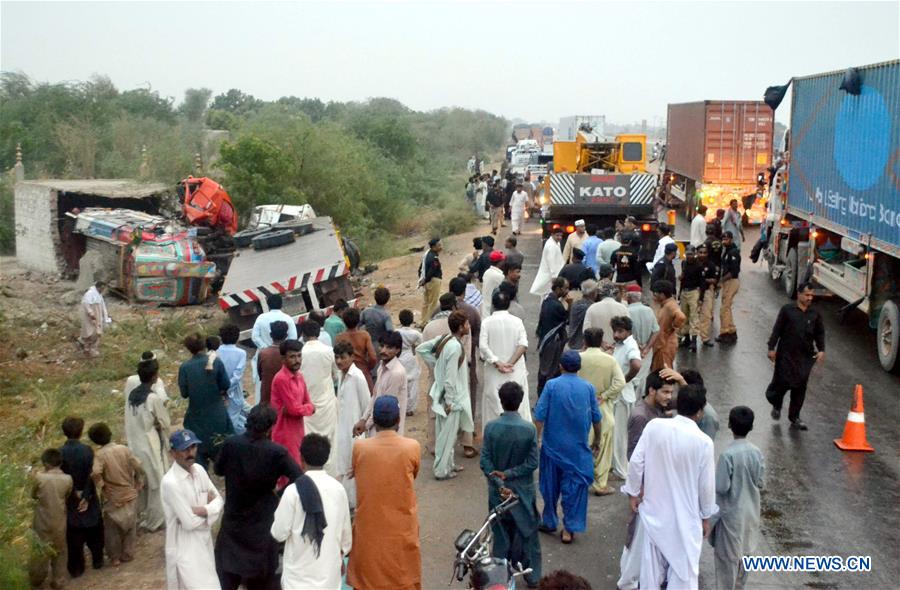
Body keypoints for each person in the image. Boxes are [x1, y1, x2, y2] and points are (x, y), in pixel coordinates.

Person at [622, 384, 717, 590]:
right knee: (683, 576)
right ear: (700, 412)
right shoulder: (704, 443)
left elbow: (636, 462)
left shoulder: (655, 427)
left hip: (654, 514)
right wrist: (705, 517)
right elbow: (706, 487)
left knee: (650, 575)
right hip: (686, 521)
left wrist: (633, 493)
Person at [214, 405, 304, 590]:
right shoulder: (276, 452)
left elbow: (218, 469)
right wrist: (279, 494)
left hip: (234, 518)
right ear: (270, 427)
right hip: (262, 521)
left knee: (228, 574)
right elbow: (298, 476)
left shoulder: (231, 444)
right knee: (261, 576)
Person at [346, 396, 422, 590]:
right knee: (403, 576)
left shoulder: (360, 447)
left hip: (369, 528)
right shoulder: (411, 447)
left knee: (367, 577)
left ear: (375, 421)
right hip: (401, 527)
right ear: (398, 420)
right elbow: (414, 474)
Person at [535, 351, 601, 544]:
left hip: (552, 448)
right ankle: (569, 528)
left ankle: (549, 521)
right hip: (577, 451)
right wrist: (597, 440)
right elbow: (597, 418)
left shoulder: (551, 386)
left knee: (549, 487)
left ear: (561, 366)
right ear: (579, 367)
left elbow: (539, 415)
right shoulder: (588, 388)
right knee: (574, 490)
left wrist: (536, 439)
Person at [617, 369, 675, 590]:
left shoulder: (657, 409)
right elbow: (634, 456)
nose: (669, 397)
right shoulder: (641, 416)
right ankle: (627, 580)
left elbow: (691, 402)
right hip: (644, 488)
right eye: (665, 392)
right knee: (636, 535)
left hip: (653, 485)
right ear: (652, 390)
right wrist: (638, 489)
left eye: (671, 392)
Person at [480, 382, 542, 588]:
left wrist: (500, 481)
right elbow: (532, 463)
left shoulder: (491, 428)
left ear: (501, 400)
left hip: (497, 493)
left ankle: (499, 580)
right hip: (522, 492)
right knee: (527, 534)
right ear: (521, 401)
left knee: (500, 536)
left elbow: (485, 461)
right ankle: (532, 577)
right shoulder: (528, 429)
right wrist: (509, 475)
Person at [271, 434, 352, 590]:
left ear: (301, 458)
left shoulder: (293, 491)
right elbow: (345, 537)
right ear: (326, 458)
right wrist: (340, 556)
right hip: (329, 577)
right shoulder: (339, 489)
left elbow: (278, 533)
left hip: (297, 579)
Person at [711, 407, 766, 590]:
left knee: (727, 565)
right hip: (751, 515)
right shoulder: (757, 452)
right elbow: (761, 482)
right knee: (745, 559)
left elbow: (721, 487)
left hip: (731, 518)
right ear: (751, 427)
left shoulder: (727, 455)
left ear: (729, 425)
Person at [161, 429, 224, 590]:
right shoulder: (171, 483)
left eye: (193, 447)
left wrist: (202, 510)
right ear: (173, 453)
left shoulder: (200, 471)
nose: (190, 453)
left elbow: (219, 500)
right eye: (185, 449)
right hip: (184, 547)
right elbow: (189, 523)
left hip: (204, 541)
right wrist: (211, 511)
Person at [418, 311, 474, 480]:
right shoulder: (455, 347)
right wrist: (450, 401)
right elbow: (450, 379)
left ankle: (449, 465)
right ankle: (441, 470)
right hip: (452, 398)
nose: (469, 326)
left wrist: (437, 366)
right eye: (466, 324)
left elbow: (422, 349)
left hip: (443, 395)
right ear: (460, 327)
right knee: (447, 436)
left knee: (447, 433)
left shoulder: (445, 339)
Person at [765, 282, 825, 431]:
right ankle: (777, 403)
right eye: (807, 295)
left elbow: (819, 333)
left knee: (800, 386)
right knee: (782, 382)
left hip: (805, 357)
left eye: (811, 295)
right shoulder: (787, 310)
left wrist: (821, 349)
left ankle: (795, 417)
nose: (810, 298)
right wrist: (771, 347)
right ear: (799, 294)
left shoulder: (815, 314)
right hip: (786, 354)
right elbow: (777, 330)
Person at [124, 357, 171, 532]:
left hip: (135, 444)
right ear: (154, 377)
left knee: (142, 482)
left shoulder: (132, 396)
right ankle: (156, 519)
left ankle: (143, 515)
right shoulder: (152, 398)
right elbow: (164, 421)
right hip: (151, 445)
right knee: (157, 482)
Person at [89, 422, 145, 567]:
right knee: (130, 525)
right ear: (110, 434)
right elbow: (138, 465)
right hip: (130, 493)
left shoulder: (99, 455)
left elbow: (95, 473)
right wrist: (139, 480)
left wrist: (102, 487)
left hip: (112, 497)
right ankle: (128, 553)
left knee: (112, 530)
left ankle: (114, 557)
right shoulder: (123, 449)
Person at [579, 328, 625, 496]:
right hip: (602, 405)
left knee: (581, 443)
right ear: (601, 341)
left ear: (585, 341)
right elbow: (620, 382)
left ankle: (580, 478)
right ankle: (600, 484)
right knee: (603, 447)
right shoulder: (610, 360)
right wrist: (605, 395)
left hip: (580, 405)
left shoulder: (579, 358)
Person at [178, 333, 233, 468]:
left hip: (196, 417)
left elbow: (184, 394)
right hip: (217, 414)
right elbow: (226, 384)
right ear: (204, 345)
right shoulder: (216, 362)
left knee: (199, 459)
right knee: (223, 453)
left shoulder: (185, 367)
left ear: (188, 348)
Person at [480, 291, 532, 432]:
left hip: (494, 373)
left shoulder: (486, 322)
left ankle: (493, 437)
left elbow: (483, 346)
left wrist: (497, 363)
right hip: (515, 372)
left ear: (493, 305)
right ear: (508, 305)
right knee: (519, 405)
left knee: (493, 407)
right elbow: (523, 344)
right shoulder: (517, 322)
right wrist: (511, 363)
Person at [59, 417, 104, 577]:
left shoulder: (60, 453)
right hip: (88, 494)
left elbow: (61, 476)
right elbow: (91, 474)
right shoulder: (87, 450)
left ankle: (76, 568)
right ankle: (97, 560)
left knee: (74, 532)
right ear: (80, 432)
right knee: (94, 528)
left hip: (70, 496)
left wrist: (74, 494)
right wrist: (86, 495)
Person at [29, 448, 72, 590]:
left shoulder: (39, 478)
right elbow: (67, 496)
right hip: (60, 520)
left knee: (40, 549)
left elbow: (33, 495)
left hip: (42, 520)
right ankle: (59, 580)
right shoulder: (68, 479)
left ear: (46, 464)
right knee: (60, 550)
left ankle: (37, 580)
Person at [333, 341, 370, 507]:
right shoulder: (341, 374)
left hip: (355, 431)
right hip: (342, 429)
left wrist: (362, 428)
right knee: (343, 464)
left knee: (353, 466)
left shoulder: (357, 377)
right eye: (336, 357)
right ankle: (347, 503)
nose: (339, 361)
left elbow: (367, 405)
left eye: (342, 357)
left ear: (352, 357)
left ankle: (355, 504)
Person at [270, 339, 316, 473]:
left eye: (299, 356)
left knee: (299, 467)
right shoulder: (281, 379)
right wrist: (309, 408)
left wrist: (306, 408)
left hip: (298, 430)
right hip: (284, 432)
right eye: (292, 357)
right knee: (289, 472)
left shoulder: (300, 377)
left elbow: (307, 402)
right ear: (283, 359)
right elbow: (294, 410)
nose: (297, 360)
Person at [299, 320, 338, 473]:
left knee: (309, 439)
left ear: (303, 335)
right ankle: (331, 473)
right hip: (327, 401)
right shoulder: (329, 351)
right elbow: (335, 375)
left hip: (307, 404)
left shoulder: (299, 354)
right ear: (318, 333)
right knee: (331, 439)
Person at [357, 331, 409, 438]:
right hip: (377, 424)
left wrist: (366, 425)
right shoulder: (381, 366)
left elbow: (385, 406)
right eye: (382, 346)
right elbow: (375, 396)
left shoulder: (396, 373)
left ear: (397, 350)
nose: (384, 350)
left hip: (389, 428)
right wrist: (363, 419)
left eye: (389, 348)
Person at [610, 316, 643, 481]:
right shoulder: (621, 344)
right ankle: (616, 465)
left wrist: (624, 380)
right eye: (615, 331)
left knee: (620, 435)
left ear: (628, 332)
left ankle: (622, 470)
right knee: (615, 433)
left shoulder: (630, 345)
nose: (616, 334)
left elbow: (636, 365)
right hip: (619, 395)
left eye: (620, 331)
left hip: (623, 396)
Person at [251, 294, 298, 402]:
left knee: (264, 385)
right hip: (284, 357)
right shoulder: (287, 318)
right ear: (281, 304)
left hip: (265, 357)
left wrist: (265, 347)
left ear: (268, 304)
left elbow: (255, 337)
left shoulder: (261, 318)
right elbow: (293, 338)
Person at [449, 277, 482, 421]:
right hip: (469, 358)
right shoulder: (472, 311)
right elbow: (478, 335)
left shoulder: (440, 309)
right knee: (470, 387)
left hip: (447, 356)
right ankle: (469, 421)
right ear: (464, 292)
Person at [536, 277, 570, 394]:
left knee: (545, 370)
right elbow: (567, 319)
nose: (567, 291)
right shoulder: (556, 305)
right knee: (550, 371)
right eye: (565, 288)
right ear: (558, 289)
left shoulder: (547, 300)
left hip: (545, 340)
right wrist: (570, 305)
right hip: (552, 342)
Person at [334, 308, 377, 392]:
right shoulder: (364, 335)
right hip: (363, 371)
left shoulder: (339, 338)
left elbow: (337, 357)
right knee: (368, 397)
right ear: (358, 320)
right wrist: (368, 368)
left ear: (343, 321)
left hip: (347, 372)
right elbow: (373, 357)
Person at [216, 325, 248, 434]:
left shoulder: (216, 352)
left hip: (218, 391)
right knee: (233, 421)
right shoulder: (241, 353)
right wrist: (227, 388)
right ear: (237, 337)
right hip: (234, 392)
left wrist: (222, 389)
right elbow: (237, 375)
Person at [650, 280, 686, 371]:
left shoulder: (670, 306)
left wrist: (672, 328)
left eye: (655, 293)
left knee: (664, 372)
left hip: (665, 345)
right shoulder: (665, 304)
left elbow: (681, 317)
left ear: (662, 294)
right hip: (661, 344)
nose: (654, 296)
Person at [583, 281, 628, 347]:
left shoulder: (592, 308)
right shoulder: (623, 308)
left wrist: (602, 343)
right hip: (617, 347)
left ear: (600, 294)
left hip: (597, 347)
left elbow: (585, 330)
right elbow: (629, 330)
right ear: (615, 293)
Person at [397, 310, 423, 416]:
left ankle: (400, 406)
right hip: (410, 357)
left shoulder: (396, 332)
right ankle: (410, 408)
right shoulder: (415, 333)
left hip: (399, 357)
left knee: (400, 383)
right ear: (412, 320)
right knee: (412, 384)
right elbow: (421, 343)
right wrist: (414, 346)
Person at [678, 246, 704, 352]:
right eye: (687, 254)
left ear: (695, 254)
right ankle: (686, 338)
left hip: (694, 292)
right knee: (684, 316)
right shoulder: (684, 263)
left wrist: (701, 298)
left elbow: (702, 283)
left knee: (694, 316)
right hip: (684, 291)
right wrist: (680, 293)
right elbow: (683, 280)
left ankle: (694, 341)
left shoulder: (699, 266)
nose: (689, 256)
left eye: (691, 254)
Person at [258, 320, 289, 406]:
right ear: (286, 335)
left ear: (271, 335)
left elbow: (260, 375)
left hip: (267, 399)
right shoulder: (291, 354)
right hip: (287, 398)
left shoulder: (263, 354)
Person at [717, 231, 741, 344]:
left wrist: (721, 281)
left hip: (731, 281)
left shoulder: (733, 252)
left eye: (726, 239)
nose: (724, 241)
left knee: (724, 309)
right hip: (727, 282)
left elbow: (734, 271)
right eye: (723, 239)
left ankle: (725, 333)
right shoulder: (726, 251)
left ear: (731, 239)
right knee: (727, 307)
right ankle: (731, 330)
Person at [529, 227, 565, 296]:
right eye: (557, 235)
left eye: (561, 236)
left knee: (547, 293)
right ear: (552, 235)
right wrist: (554, 276)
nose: (559, 237)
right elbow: (551, 262)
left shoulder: (555, 243)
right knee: (547, 293)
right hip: (550, 275)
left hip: (553, 273)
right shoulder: (551, 246)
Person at [79, 280, 110, 358]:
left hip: (97, 316)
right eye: (102, 288)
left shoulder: (99, 295)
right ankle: (87, 349)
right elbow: (86, 304)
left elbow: (102, 306)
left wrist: (105, 317)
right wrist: (91, 314)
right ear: (98, 287)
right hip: (90, 318)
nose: (103, 290)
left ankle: (92, 349)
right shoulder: (90, 293)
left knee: (97, 333)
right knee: (90, 333)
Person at [697, 244, 720, 347]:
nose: (702, 254)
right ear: (697, 253)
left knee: (706, 315)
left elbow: (714, 280)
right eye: (700, 252)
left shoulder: (711, 265)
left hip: (707, 291)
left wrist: (702, 279)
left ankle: (705, 338)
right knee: (690, 315)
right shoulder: (691, 263)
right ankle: (687, 337)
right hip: (694, 291)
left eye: (705, 252)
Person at [566, 279, 597, 350]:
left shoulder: (575, 304)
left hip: (572, 342)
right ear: (593, 293)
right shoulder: (591, 307)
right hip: (582, 345)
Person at [360, 286, 394, 352]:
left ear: (375, 297)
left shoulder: (366, 311)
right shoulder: (386, 315)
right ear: (387, 300)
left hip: (367, 346)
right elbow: (390, 332)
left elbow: (357, 325)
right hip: (380, 347)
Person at [418, 237, 444, 323]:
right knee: (433, 303)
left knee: (426, 303)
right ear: (433, 247)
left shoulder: (426, 255)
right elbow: (432, 271)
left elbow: (420, 269)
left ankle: (423, 321)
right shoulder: (434, 257)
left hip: (427, 282)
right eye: (439, 245)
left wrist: (422, 280)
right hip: (433, 281)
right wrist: (425, 280)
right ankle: (428, 322)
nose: (441, 246)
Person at [480, 250, 506, 316]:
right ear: (500, 262)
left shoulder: (487, 272)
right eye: (503, 261)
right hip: (492, 311)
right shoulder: (499, 276)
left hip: (485, 308)